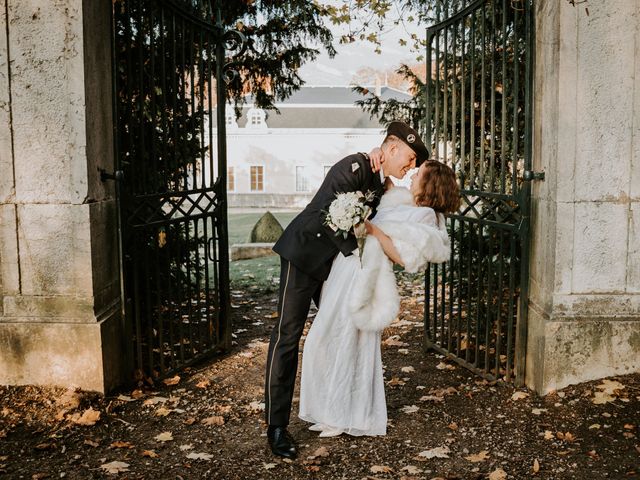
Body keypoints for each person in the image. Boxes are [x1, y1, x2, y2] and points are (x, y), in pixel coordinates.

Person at [265, 122, 430, 458]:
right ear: (391, 148)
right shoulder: (354, 166)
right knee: (287, 336)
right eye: (410, 158)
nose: (410, 166)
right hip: (303, 256)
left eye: (415, 163)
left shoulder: (380, 183)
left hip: (334, 271)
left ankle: (333, 409)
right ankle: (276, 427)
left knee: (335, 335)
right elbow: (335, 218)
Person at [298, 160, 460, 437]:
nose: (411, 174)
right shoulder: (404, 201)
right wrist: (376, 155)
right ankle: (330, 411)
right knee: (325, 339)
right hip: (348, 267)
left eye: (418, 173)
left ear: (430, 184)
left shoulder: (426, 217)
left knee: (348, 343)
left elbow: (402, 256)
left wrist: (372, 230)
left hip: (366, 276)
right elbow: (383, 171)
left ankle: (345, 416)